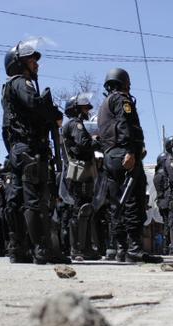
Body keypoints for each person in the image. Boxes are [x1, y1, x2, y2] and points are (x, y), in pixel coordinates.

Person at [1, 40, 69, 264]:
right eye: (31, 60)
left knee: (18, 199)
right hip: (29, 148)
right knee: (36, 199)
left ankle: (19, 250)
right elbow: (35, 104)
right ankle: (43, 250)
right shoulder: (21, 82)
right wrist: (55, 114)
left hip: (20, 149)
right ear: (19, 64)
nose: (36, 64)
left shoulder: (10, 87)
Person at [98, 67, 162, 263]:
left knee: (117, 203)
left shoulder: (104, 105)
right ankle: (134, 249)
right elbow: (126, 124)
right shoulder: (121, 99)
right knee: (134, 200)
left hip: (110, 156)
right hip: (123, 154)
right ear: (124, 82)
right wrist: (131, 151)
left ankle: (120, 249)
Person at [61, 93, 101, 260]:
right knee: (80, 211)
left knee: (85, 210)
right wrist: (98, 141)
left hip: (83, 171)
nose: (87, 109)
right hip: (79, 172)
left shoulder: (75, 124)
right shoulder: (75, 124)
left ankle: (85, 248)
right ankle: (76, 249)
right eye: (84, 107)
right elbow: (83, 144)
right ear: (76, 108)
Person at [153, 151, 170, 255]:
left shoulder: (162, 173)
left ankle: (167, 247)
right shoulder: (160, 174)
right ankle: (166, 248)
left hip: (165, 201)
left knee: (169, 225)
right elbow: (162, 191)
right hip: (164, 202)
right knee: (168, 225)